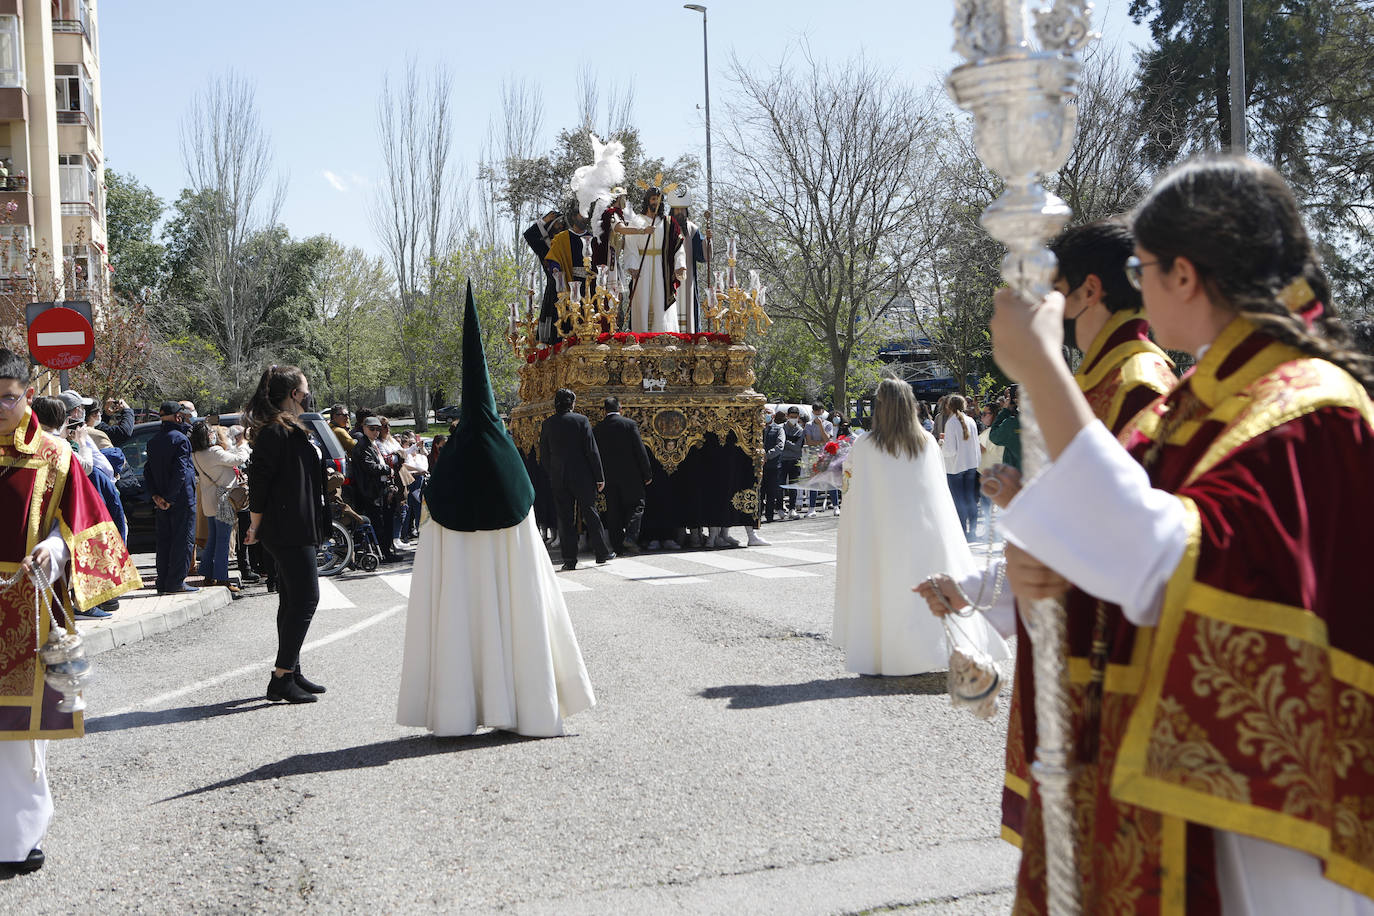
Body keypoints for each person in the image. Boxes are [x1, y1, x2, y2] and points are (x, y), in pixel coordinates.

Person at [932, 156, 1374, 911]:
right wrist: (1059, 569)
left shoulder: (1308, 409)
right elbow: (1117, 526)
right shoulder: (1211, 396)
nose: (1136, 286)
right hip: (1182, 775)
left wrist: (1038, 364)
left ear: (1185, 275)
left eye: (1144, 267)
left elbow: (1165, 557)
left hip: (1265, 818)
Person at [398, 282, 595, 737]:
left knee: (458, 619)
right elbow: (532, 558)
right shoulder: (510, 467)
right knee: (521, 612)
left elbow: (431, 554)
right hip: (508, 560)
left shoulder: (448, 471)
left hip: (461, 569)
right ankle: (529, 707)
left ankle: (455, 711)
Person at [0, 347, 140, 875]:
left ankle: (18, 836)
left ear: (28, 395)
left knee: (17, 733)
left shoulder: (57, 456)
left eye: (8, 400)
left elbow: (89, 528)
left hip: (27, 605)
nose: (0, 410)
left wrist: (56, 550)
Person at [833, 377, 1006, 675]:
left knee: (886, 590)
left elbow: (853, 489)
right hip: (923, 529)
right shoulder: (926, 442)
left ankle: (888, 653)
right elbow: (937, 487)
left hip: (882, 531)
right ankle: (938, 648)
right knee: (927, 590)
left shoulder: (866, 444)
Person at [244, 365, 329, 705]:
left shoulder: (286, 427)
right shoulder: (275, 431)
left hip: (295, 523)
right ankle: (280, 678)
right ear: (295, 394)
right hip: (286, 527)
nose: (308, 395)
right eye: (305, 390)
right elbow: (260, 481)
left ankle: (291, 670)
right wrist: (253, 524)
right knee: (307, 598)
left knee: (291, 599)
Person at [539, 388, 614, 571]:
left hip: (559, 476)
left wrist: (552, 472)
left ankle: (569, 559)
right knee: (590, 512)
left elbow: (544, 454)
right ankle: (601, 552)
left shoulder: (548, 423)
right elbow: (591, 450)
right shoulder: (581, 421)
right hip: (582, 476)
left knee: (565, 518)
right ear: (572, 403)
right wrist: (599, 476)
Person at [190, 420, 250, 596]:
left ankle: (208, 574)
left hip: (209, 501)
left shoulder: (197, 454)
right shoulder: (214, 451)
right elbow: (239, 459)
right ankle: (222, 578)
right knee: (223, 540)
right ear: (207, 436)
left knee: (213, 539)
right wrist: (243, 444)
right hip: (224, 500)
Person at [145, 400, 199, 595]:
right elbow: (180, 472)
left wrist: (156, 496)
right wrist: (170, 498)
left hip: (162, 501)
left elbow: (147, 471)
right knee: (183, 540)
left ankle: (163, 582)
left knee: (165, 541)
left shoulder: (153, 441)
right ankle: (176, 582)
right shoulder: (181, 440)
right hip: (181, 500)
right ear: (178, 417)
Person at [594, 396, 652, 556]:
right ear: (621, 408)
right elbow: (640, 451)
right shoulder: (629, 424)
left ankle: (617, 547)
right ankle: (631, 537)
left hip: (608, 477)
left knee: (614, 511)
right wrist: (647, 473)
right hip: (631, 476)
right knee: (637, 505)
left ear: (604, 411)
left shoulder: (598, 428)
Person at [625, 184, 685, 333]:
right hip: (642, 266)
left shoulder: (668, 222)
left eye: (658, 199)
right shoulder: (636, 221)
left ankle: (662, 336)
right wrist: (633, 265)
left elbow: (678, 245)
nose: (655, 202)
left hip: (661, 267)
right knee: (642, 301)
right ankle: (641, 336)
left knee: (661, 301)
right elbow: (630, 244)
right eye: (653, 199)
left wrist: (680, 264)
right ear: (647, 200)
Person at [350, 417, 398, 564]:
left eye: (378, 429)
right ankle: (383, 553)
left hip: (378, 488)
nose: (376, 432)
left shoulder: (371, 443)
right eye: (372, 429)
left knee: (384, 521)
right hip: (371, 491)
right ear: (363, 428)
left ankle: (385, 552)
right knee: (379, 523)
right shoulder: (363, 446)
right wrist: (387, 469)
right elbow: (369, 467)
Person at [666, 187, 710, 333]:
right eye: (676, 210)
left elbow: (703, 256)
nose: (679, 213)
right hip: (667, 278)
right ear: (672, 211)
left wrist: (708, 240)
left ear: (686, 211)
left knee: (688, 313)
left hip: (687, 281)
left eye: (682, 210)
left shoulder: (692, 229)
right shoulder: (664, 228)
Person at [940, 394, 979, 541]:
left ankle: (962, 531)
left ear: (948, 406)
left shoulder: (951, 423)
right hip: (971, 464)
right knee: (970, 498)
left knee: (958, 500)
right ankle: (973, 531)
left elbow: (950, 450)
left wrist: (941, 444)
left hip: (955, 466)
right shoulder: (971, 421)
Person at [778, 406, 805, 518]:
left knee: (793, 485)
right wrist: (789, 443)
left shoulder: (801, 430)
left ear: (798, 417)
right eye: (791, 416)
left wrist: (785, 441)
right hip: (782, 460)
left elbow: (797, 448)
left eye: (795, 417)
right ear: (787, 416)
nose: (793, 418)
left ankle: (792, 509)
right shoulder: (780, 428)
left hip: (795, 460)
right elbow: (779, 444)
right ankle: (779, 508)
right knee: (781, 485)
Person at [987, 386, 1022, 471]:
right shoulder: (1046, 421)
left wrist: (1005, 411)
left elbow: (993, 436)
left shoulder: (1011, 424)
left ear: (1015, 400)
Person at [761, 410, 786, 523]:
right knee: (760, 492)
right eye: (764, 412)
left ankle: (769, 516)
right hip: (759, 466)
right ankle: (757, 516)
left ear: (773, 416)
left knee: (771, 492)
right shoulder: (759, 428)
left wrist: (767, 455)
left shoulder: (779, 429)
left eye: (768, 413)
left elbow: (780, 446)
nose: (766, 415)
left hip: (773, 465)